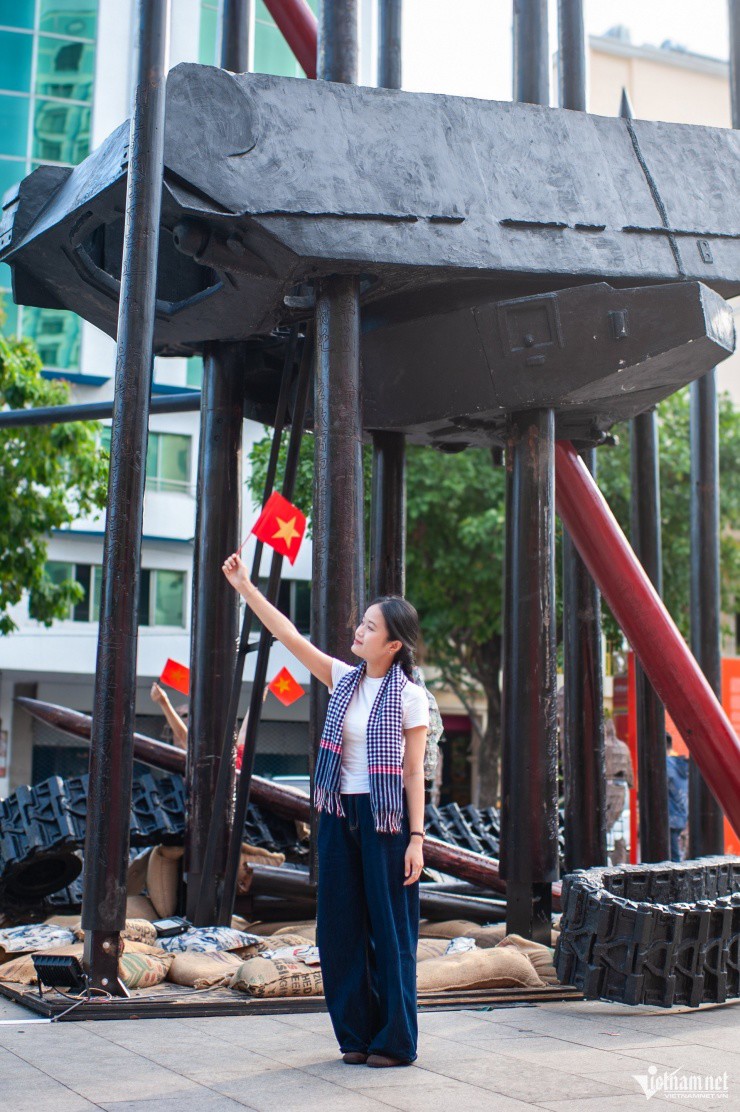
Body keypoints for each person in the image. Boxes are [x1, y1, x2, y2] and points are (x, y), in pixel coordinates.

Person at [222, 551, 429, 1068]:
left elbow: (413, 773)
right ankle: (355, 1035)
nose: (359, 630)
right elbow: (289, 636)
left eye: (370, 627)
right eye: (362, 622)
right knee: (338, 929)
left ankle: (395, 1041)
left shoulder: (410, 697)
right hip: (338, 816)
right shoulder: (343, 678)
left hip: (386, 822)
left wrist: (417, 839)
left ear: (394, 644)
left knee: (391, 932)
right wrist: (245, 587)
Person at [666, 732, 689, 862]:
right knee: (676, 855)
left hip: (669, 817)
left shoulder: (665, 765)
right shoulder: (681, 764)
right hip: (681, 815)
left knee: (672, 858)